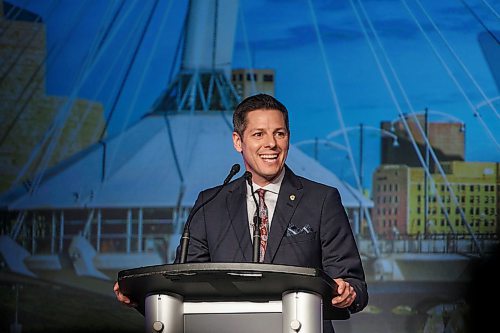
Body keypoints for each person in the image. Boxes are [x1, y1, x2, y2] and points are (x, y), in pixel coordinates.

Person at [114, 93, 368, 332]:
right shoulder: (208, 204)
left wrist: (348, 293)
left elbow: (353, 283)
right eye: (259, 134)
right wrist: (140, 296)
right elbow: (184, 286)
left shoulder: (321, 199)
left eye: (279, 133)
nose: (271, 143)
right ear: (238, 141)